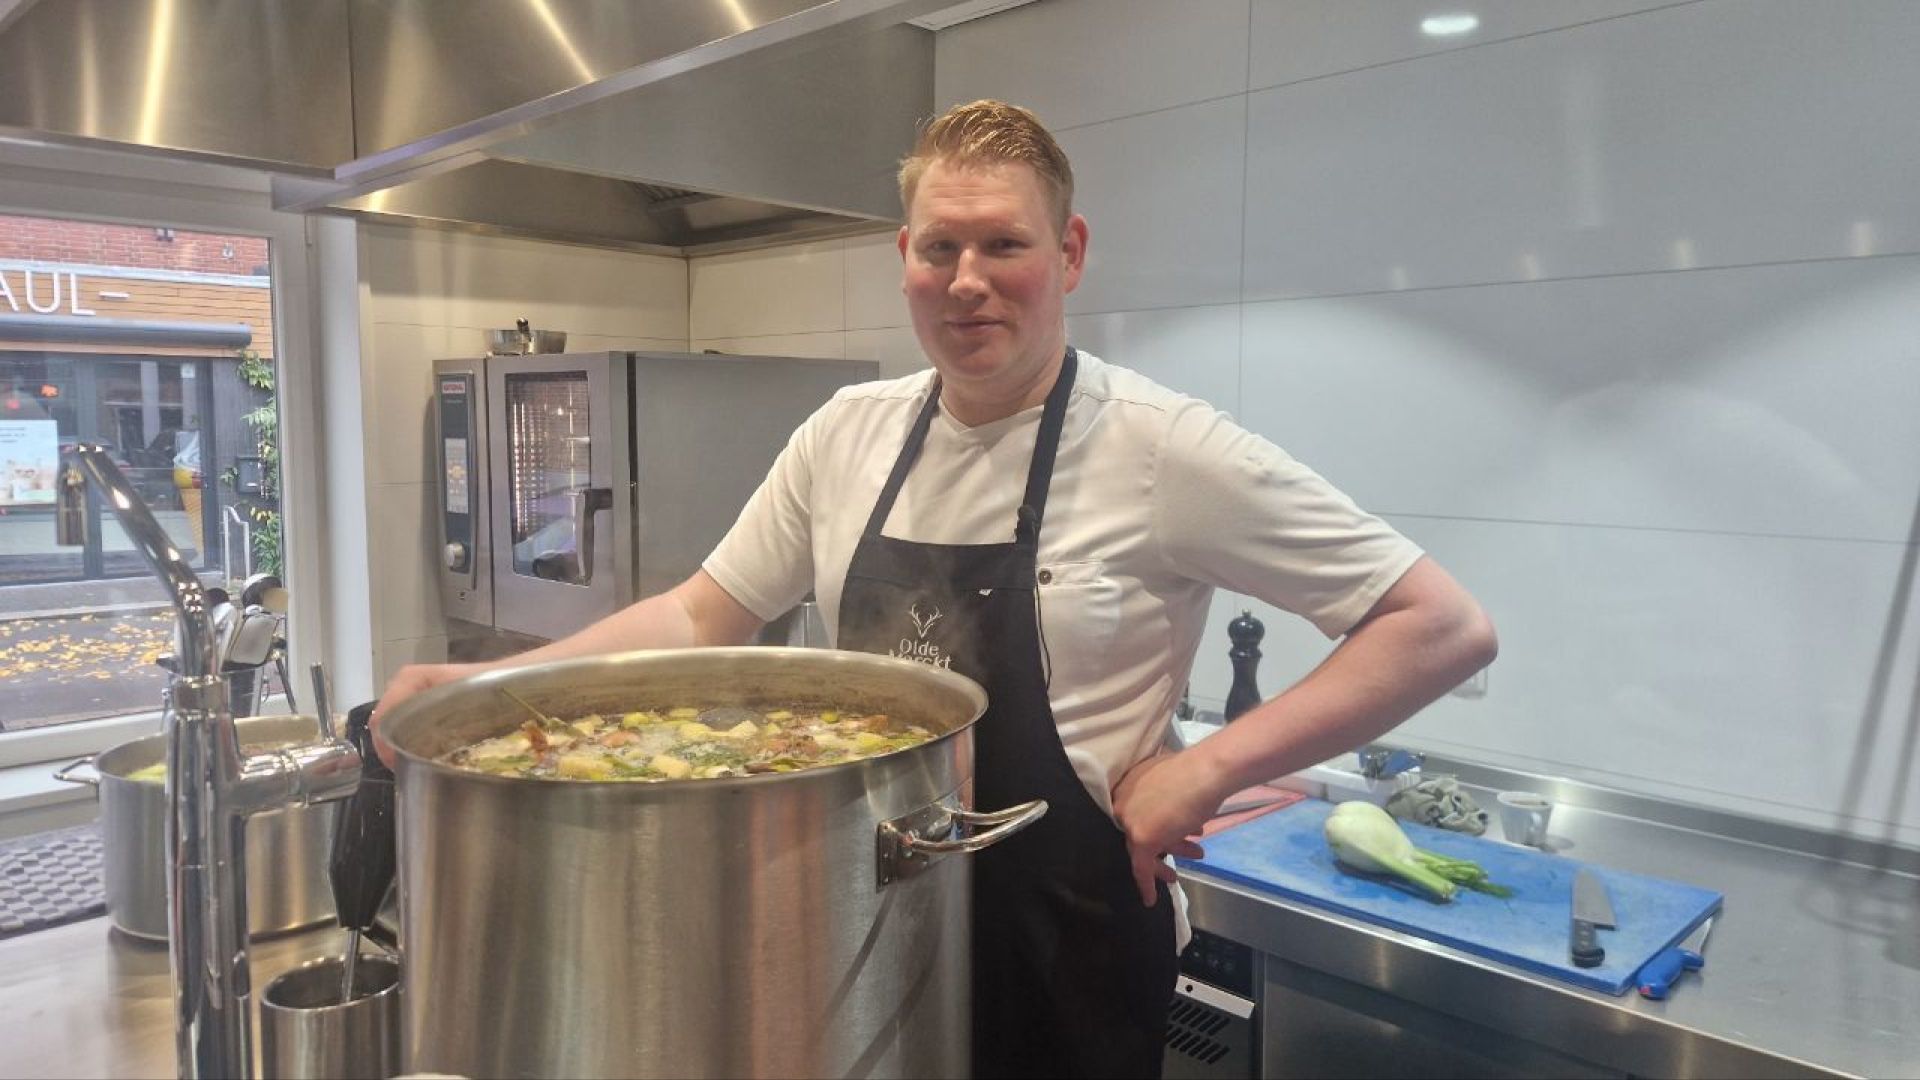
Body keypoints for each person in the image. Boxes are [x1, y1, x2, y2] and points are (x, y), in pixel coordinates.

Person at [376, 99, 1497, 1079]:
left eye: (1004, 244)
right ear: (904, 254)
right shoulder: (847, 434)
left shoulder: (1160, 448)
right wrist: (485, 688)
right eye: (940, 247)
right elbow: (700, 614)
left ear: (1070, 252)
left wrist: (1206, 767)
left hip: (1063, 954)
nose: (967, 282)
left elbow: (1438, 625)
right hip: (852, 947)